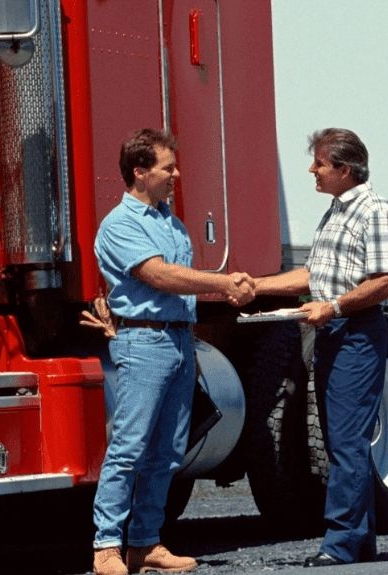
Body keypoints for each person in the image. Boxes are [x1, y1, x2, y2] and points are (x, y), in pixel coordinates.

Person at [90, 128, 255, 575]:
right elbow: (159, 276)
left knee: (168, 450)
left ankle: (145, 543)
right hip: (144, 342)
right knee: (129, 446)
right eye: (168, 167)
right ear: (140, 172)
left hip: (178, 339)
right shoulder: (119, 225)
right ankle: (106, 544)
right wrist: (224, 283)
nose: (176, 175)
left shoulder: (172, 224)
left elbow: (177, 284)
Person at [254, 128, 388, 567]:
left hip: (356, 333)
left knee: (346, 442)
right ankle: (359, 540)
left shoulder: (374, 211)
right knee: (344, 440)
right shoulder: (337, 212)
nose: (312, 170)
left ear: (344, 168)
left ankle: (340, 543)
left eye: (319, 163)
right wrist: (257, 286)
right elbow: (315, 274)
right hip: (335, 333)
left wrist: (335, 307)